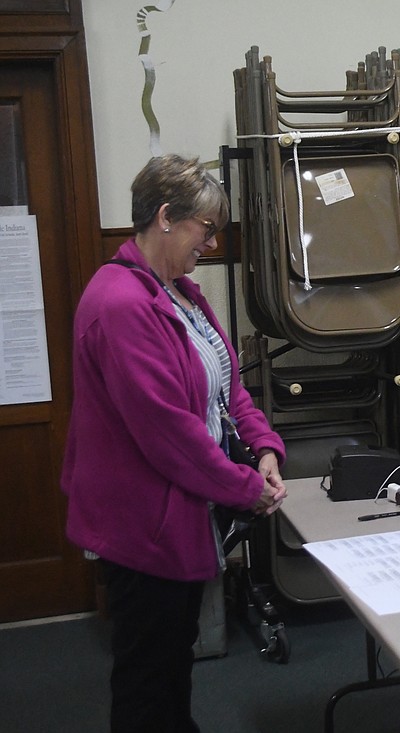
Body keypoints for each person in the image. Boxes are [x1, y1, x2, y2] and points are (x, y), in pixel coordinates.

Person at [62, 154, 288, 733]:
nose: (210, 243)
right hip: (142, 526)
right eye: (205, 228)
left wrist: (263, 449)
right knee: (147, 681)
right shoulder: (121, 304)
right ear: (165, 217)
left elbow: (227, 388)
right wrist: (245, 488)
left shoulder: (180, 293)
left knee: (170, 667)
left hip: (180, 513)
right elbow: (171, 433)